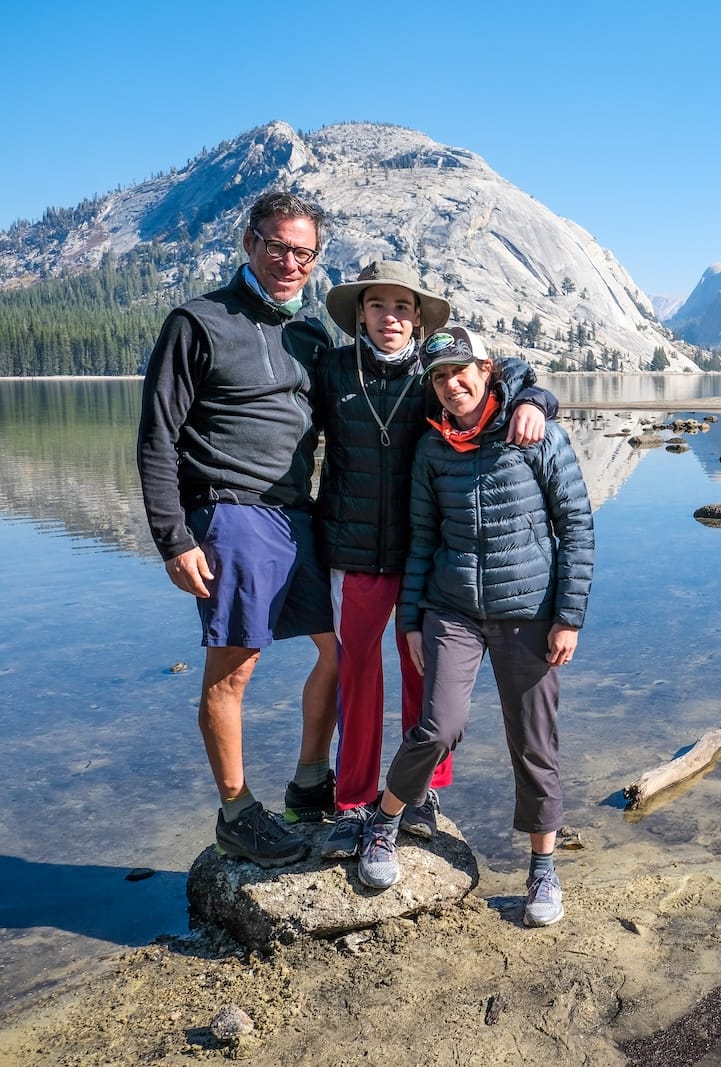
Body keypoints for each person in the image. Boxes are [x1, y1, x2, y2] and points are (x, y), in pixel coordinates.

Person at [313, 262, 559, 861]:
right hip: (355, 548)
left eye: (402, 306)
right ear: (361, 315)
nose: (390, 317)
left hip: (428, 550)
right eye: (378, 306)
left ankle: (420, 795)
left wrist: (536, 401)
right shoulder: (332, 369)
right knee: (358, 673)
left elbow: (514, 375)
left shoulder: (434, 373)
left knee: (424, 674)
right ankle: (353, 800)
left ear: (418, 317)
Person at [357, 326, 593, 929]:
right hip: (452, 608)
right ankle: (383, 821)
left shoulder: (536, 434)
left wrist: (568, 617)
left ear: (487, 370)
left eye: (461, 371)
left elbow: (577, 529)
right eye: (438, 377)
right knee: (438, 725)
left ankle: (542, 868)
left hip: (530, 611)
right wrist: (409, 621)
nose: (451, 385)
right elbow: (422, 541)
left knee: (534, 741)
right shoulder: (432, 448)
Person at [136, 191, 340, 867]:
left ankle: (310, 785)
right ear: (248, 241)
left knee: (340, 651)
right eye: (277, 245)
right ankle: (237, 811)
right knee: (234, 672)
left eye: (303, 252)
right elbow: (157, 439)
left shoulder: (312, 335)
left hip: (298, 517)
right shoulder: (197, 321)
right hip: (230, 513)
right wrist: (173, 536)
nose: (290, 262)